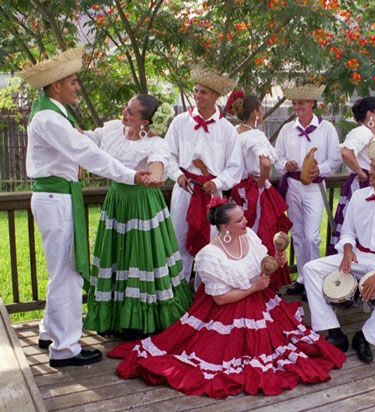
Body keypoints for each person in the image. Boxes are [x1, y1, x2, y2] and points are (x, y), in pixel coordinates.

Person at [107, 200, 346, 398]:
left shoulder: (249, 236)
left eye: (243, 217)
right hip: (224, 307)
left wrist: (277, 259)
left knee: (289, 344)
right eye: (240, 220)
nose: (246, 222)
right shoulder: (209, 256)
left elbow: (264, 265)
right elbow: (220, 299)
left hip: (258, 299)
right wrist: (254, 288)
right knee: (219, 355)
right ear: (224, 227)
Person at [19, 48, 149, 367]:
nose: (78, 87)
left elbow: (84, 147)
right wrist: (130, 174)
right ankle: (65, 348)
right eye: (74, 82)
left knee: (61, 271)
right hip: (56, 197)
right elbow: (88, 153)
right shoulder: (50, 118)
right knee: (68, 273)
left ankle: (50, 331)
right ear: (56, 86)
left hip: (58, 197)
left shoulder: (51, 112)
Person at [82, 95, 193, 338]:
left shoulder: (155, 143)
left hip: (142, 204)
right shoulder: (113, 130)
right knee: (117, 256)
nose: (124, 114)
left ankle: (142, 319)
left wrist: (154, 176)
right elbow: (90, 139)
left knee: (141, 256)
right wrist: (72, 132)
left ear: (145, 122)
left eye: (131, 112)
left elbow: (157, 165)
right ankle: (114, 317)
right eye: (126, 108)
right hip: (117, 201)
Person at [304, 138, 375, 364]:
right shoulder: (359, 197)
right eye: (371, 166)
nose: (370, 172)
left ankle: (365, 336)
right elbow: (347, 233)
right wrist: (347, 251)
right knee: (310, 269)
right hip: (358, 256)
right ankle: (333, 330)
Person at [165, 66, 243, 282]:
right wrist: (176, 175)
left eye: (203, 92)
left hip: (211, 196)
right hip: (185, 189)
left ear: (216, 96)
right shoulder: (180, 122)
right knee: (178, 238)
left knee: (209, 244)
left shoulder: (227, 129)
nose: (197, 96)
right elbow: (167, 155)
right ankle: (178, 291)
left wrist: (218, 182)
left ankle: (204, 292)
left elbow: (235, 167)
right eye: (196, 91)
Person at [275, 83, 341, 298]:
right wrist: (286, 165)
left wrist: (316, 170)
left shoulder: (326, 129)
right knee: (298, 234)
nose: (297, 107)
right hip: (293, 186)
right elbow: (278, 158)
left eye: (301, 103)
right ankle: (303, 279)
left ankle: (315, 279)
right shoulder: (287, 130)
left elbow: (335, 160)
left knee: (313, 236)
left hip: (314, 187)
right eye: (294, 103)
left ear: (312, 104)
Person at [227, 92, 294, 292]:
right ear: (256, 112)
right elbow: (265, 161)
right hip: (253, 192)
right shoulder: (255, 135)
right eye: (261, 108)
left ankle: (239, 282)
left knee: (237, 234)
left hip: (235, 191)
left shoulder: (232, 132)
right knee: (260, 235)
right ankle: (261, 285)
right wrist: (263, 180)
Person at [327, 96, 375, 255]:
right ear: (370, 114)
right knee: (358, 221)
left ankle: (373, 256)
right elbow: (346, 152)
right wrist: (360, 172)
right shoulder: (361, 132)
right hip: (365, 182)